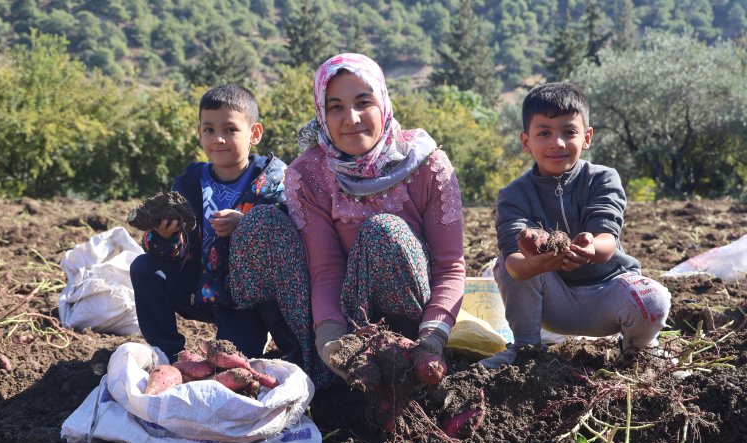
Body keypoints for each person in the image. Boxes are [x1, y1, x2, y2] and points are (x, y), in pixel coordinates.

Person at [285, 53, 466, 378]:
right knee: (269, 229)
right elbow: (326, 270)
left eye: (363, 102)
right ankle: (328, 369)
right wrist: (332, 342)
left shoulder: (428, 165)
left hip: (419, 319)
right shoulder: (309, 175)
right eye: (335, 107)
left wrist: (433, 339)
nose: (351, 118)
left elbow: (449, 265)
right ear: (321, 114)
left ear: (382, 102)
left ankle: (409, 360)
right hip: (353, 318)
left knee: (383, 232)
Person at [481, 82, 671, 369]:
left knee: (653, 299)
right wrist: (541, 262)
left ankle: (638, 350)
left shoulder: (603, 179)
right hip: (553, 305)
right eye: (544, 133)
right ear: (525, 141)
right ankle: (526, 350)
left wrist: (590, 248)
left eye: (569, 132)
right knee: (503, 264)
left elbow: (607, 240)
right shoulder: (513, 195)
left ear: (587, 137)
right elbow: (516, 266)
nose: (557, 143)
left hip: (607, 295)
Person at [130, 84, 303, 365]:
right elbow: (178, 250)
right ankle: (168, 353)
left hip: (247, 300)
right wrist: (165, 236)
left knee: (237, 359)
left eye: (230, 130)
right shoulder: (190, 182)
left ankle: (283, 343)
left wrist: (247, 226)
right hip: (199, 286)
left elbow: (291, 235)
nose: (218, 139)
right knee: (145, 267)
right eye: (209, 129)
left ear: (254, 134)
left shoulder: (273, 181)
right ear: (199, 133)